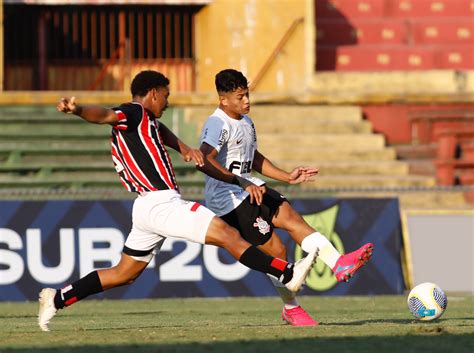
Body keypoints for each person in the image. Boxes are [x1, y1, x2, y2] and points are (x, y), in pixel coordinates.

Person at [37, 70, 318, 332]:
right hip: (161, 203)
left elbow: (161, 132)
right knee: (227, 233)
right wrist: (78, 110)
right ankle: (287, 273)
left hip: (147, 207)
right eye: (166, 95)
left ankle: (57, 298)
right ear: (153, 93)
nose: (168, 102)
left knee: (124, 273)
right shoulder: (133, 112)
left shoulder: (147, 122)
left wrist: (183, 147)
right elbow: (106, 115)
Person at [197, 69, 374, 327]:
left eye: (247, 94)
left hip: (251, 187)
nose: (247, 101)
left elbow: (254, 158)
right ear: (223, 100)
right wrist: (241, 182)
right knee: (277, 252)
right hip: (229, 200)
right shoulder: (217, 123)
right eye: (240, 97)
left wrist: (287, 177)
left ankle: (339, 263)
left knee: (291, 217)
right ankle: (291, 308)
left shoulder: (246, 121)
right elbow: (204, 160)